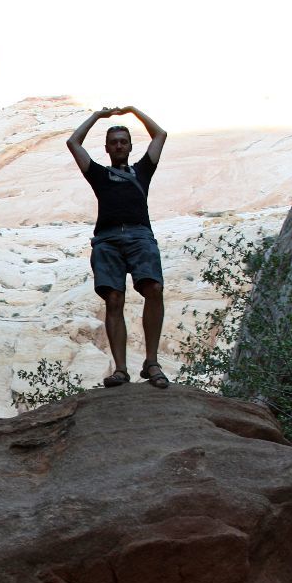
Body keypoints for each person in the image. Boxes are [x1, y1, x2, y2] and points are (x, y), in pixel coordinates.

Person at [66, 105, 169, 388]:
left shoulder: (142, 171)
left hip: (139, 236)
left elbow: (160, 134)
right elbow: (73, 143)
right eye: (114, 142)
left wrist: (134, 112)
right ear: (108, 148)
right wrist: (99, 116)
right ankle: (121, 369)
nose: (119, 145)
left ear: (130, 146)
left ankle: (151, 361)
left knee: (154, 289)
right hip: (107, 239)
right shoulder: (98, 174)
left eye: (123, 141)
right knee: (113, 299)